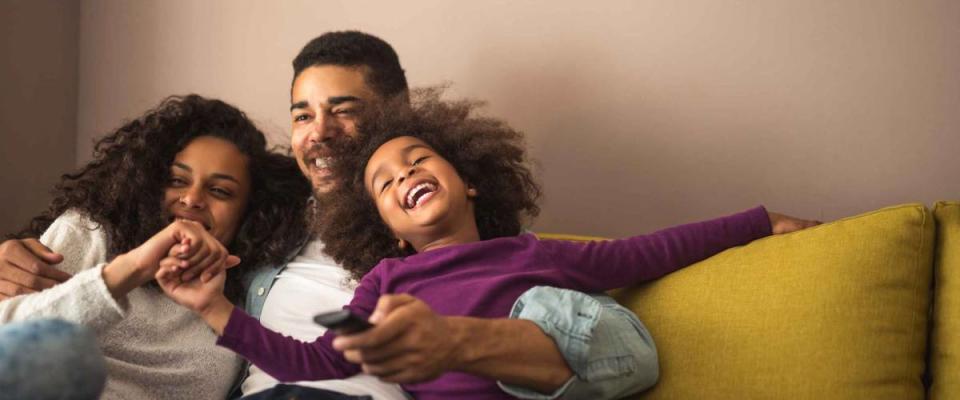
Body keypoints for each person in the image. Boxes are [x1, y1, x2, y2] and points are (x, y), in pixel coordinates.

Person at [0, 31, 816, 399]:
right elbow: (152, 247)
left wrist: (754, 221)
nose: (317, 133)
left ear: (401, 117)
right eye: (302, 113)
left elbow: (639, 276)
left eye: (345, 111)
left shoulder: (490, 251)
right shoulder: (258, 212)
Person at [156, 91, 819, 400]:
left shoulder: (534, 254)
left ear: (469, 181)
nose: (406, 176)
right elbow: (314, 361)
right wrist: (214, 307)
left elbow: (652, 251)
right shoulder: (387, 283)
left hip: (543, 385)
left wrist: (760, 222)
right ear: (386, 227)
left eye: (417, 161)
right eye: (385, 184)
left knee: (546, 306)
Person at [0, 94, 312, 400]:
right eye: (177, 181)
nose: (191, 199)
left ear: (249, 210)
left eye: (219, 190)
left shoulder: (241, 298)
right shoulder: (90, 232)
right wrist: (134, 267)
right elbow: (9, 341)